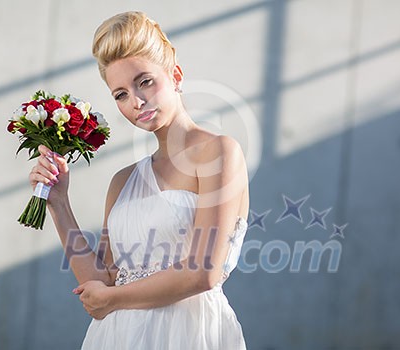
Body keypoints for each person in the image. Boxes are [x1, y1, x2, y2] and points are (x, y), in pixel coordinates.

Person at [29, 11, 249, 349]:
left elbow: (203, 272)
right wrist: (59, 203)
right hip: (117, 338)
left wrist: (114, 299)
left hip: (190, 335)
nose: (137, 101)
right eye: (121, 94)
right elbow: (100, 285)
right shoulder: (123, 181)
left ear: (175, 75)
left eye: (145, 81)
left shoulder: (218, 153)